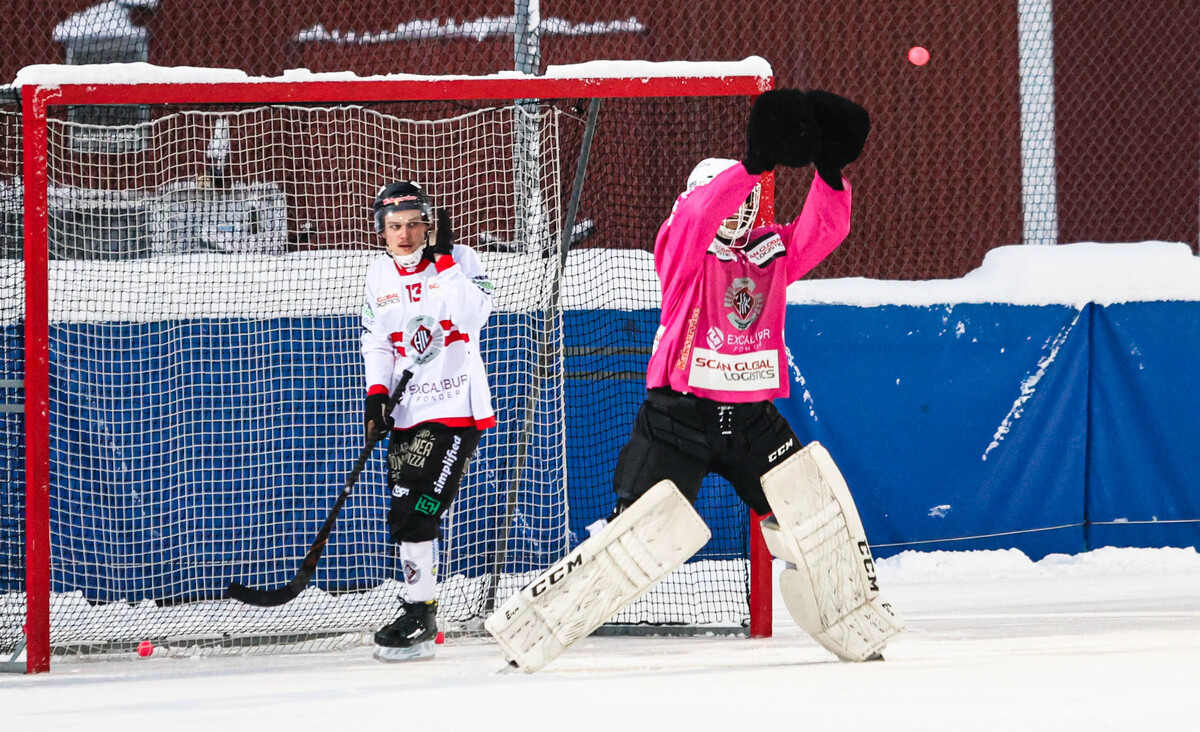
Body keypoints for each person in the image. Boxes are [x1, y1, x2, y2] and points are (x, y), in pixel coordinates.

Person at [609, 89, 894, 658]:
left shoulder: (773, 250)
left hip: (751, 422)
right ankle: (563, 613)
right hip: (679, 417)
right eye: (731, 196)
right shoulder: (682, 249)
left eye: (750, 198)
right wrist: (753, 165)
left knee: (809, 520)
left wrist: (829, 174)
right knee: (643, 531)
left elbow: (823, 230)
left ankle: (851, 616)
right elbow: (698, 217)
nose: (739, 210)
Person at [360, 181, 496, 662]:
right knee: (405, 511)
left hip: (455, 406)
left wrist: (444, 263)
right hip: (407, 411)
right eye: (394, 226)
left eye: (413, 224)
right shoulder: (378, 273)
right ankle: (420, 609)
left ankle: (421, 613)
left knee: (417, 507)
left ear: (429, 225)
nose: (404, 234)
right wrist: (377, 394)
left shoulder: (461, 259)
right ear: (382, 231)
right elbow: (377, 340)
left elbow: (474, 316)